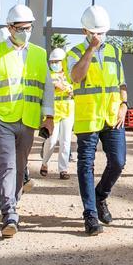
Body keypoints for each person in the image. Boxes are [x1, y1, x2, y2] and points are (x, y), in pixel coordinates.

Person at [0, 4, 53, 238]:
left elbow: (47, 88)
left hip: (28, 119)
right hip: (1, 118)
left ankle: (12, 202)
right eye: (21, 28)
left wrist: (49, 117)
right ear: (10, 28)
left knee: (20, 164)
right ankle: (9, 214)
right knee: (7, 164)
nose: (25, 32)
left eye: (29, 27)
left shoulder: (39, 53)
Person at [68, 4, 128, 236]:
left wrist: (124, 104)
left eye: (102, 33)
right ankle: (90, 215)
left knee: (118, 161)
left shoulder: (115, 52)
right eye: (94, 33)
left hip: (112, 116)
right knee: (86, 165)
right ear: (85, 31)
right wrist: (91, 50)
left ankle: (100, 196)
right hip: (88, 118)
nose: (99, 37)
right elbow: (76, 76)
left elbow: (121, 83)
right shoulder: (74, 53)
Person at [39, 47, 74, 179]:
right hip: (53, 112)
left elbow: (75, 88)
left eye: (57, 61)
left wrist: (66, 88)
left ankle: (63, 169)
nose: (54, 64)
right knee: (51, 140)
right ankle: (44, 163)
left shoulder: (70, 75)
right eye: (52, 62)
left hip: (68, 109)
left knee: (65, 141)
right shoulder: (48, 75)